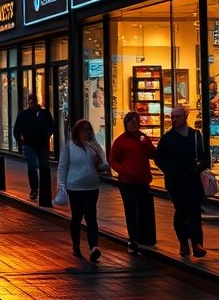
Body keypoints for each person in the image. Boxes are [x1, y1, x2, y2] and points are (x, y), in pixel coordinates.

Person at [154, 105, 210, 258]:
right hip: (176, 181)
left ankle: (197, 243)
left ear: (185, 117)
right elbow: (159, 158)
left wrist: (200, 165)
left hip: (193, 179)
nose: (174, 120)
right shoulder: (167, 138)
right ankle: (184, 242)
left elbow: (203, 155)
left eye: (177, 117)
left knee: (194, 210)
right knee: (181, 211)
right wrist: (170, 171)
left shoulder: (195, 135)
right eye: (172, 117)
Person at [59, 119, 109, 261]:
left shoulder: (95, 146)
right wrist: (61, 186)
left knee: (91, 216)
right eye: (84, 130)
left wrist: (101, 166)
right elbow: (63, 167)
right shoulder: (70, 147)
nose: (87, 132)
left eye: (89, 129)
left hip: (92, 187)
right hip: (75, 187)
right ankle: (76, 245)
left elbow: (105, 164)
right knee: (77, 217)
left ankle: (94, 247)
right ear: (77, 132)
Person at [109, 111, 158, 254]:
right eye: (130, 122)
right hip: (127, 181)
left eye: (136, 122)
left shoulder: (143, 138)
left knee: (143, 209)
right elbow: (113, 159)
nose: (133, 125)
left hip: (142, 180)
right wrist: (121, 170)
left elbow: (152, 154)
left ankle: (142, 237)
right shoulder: (120, 141)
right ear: (126, 124)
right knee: (131, 209)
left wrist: (146, 143)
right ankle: (133, 239)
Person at [14, 93, 54, 203]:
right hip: (29, 144)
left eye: (33, 100)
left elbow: (51, 126)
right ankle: (34, 188)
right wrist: (22, 141)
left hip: (42, 144)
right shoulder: (23, 115)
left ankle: (44, 189)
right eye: (29, 100)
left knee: (44, 166)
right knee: (32, 165)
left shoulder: (44, 113)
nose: (31, 102)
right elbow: (16, 129)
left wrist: (47, 135)